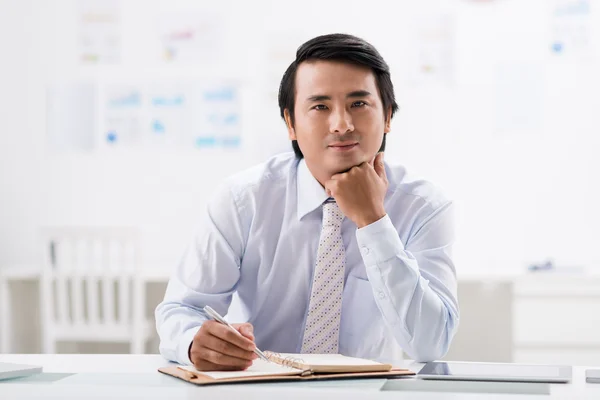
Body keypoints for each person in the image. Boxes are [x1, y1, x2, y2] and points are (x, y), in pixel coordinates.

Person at [155, 33, 459, 371]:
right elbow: (180, 310)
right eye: (320, 106)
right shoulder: (244, 200)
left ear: (388, 116)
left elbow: (430, 344)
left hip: (366, 391)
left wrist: (373, 221)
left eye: (358, 104)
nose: (341, 124)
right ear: (291, 124)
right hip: (259, 388)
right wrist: (195, 340)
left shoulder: (423, 206)